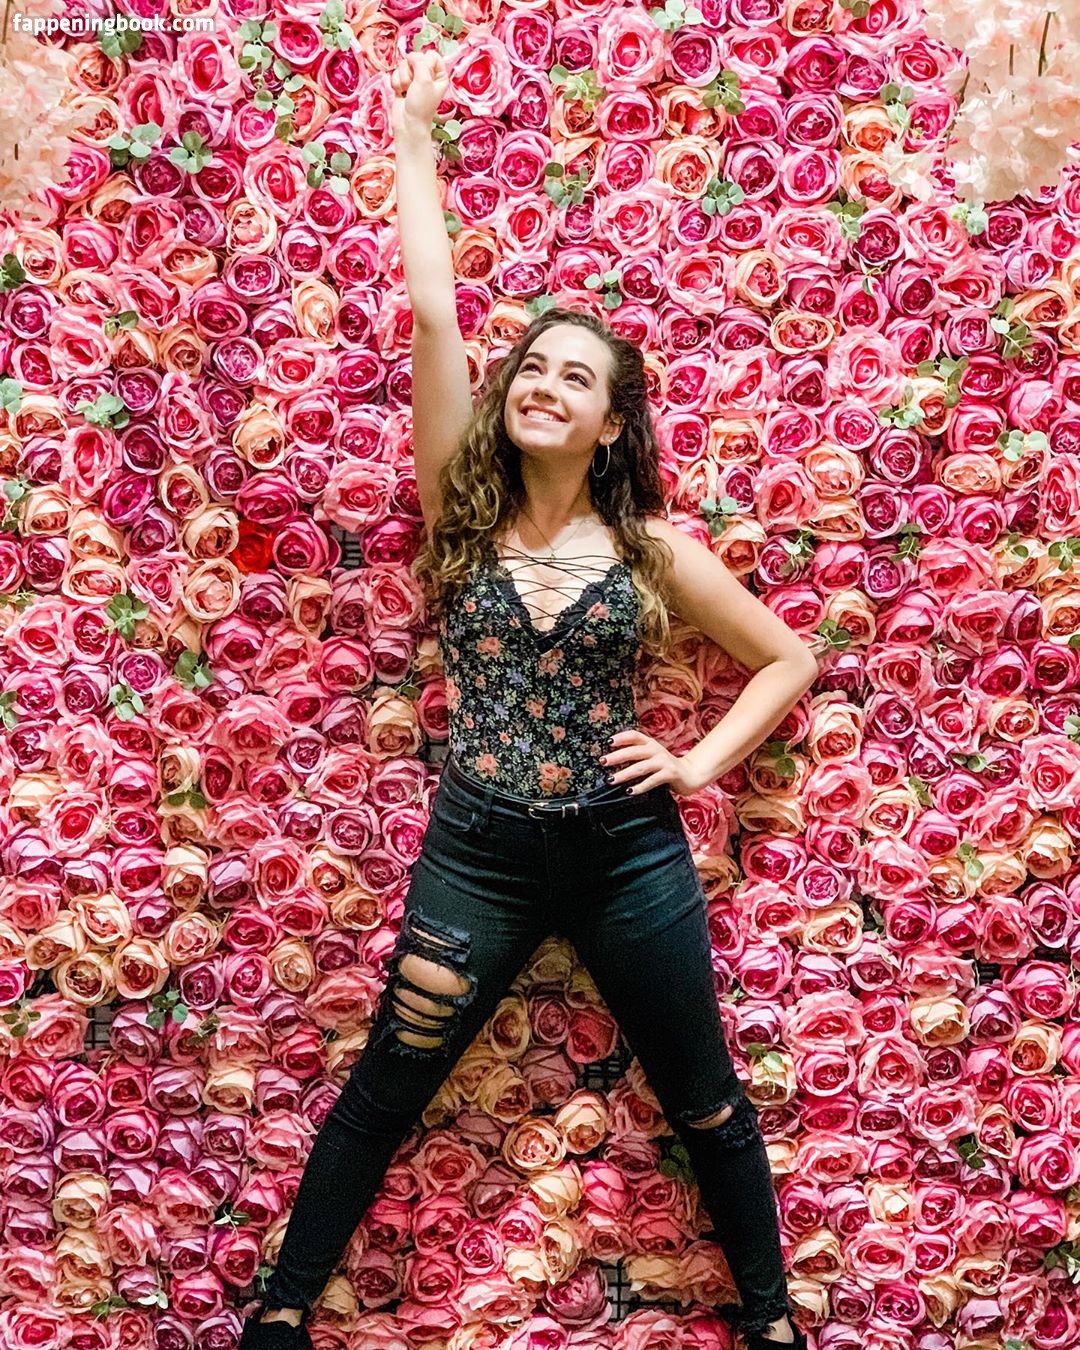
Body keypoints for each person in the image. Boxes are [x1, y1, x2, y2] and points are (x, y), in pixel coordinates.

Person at [239, 48, 818, 1350]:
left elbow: (787, 658)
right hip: (480, 854)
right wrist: (411, 140)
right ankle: (280, 1310)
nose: (544, 387)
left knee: (709, 1101)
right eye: (534, 371)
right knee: (386, 1086)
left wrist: (697, 764)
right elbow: (434, 321)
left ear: (612, 426)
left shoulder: (654, 550)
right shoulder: (460, 512)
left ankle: (774, 1321)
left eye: (577, 379)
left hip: (630, 858)